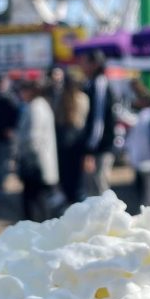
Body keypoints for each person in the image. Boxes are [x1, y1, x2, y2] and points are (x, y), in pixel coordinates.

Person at [16, 79, 60, 221]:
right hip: (38, 160)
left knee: (35, 201)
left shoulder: (36, 107)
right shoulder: (39, 105)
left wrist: (24, 153)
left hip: (36, 161)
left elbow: (33, 137)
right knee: (37, 199)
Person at [79, 51, 116, 195]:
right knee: (93, 187)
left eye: (85, 62)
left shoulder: (99, 84)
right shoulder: (91, 83)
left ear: (94, 64)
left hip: (101, 146)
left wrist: (90, 148)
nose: (82, 66)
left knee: (100, 187)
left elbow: (98, 119)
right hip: (96, 145)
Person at [56, 71, 90, 203]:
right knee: (77, 176)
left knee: (65, 174)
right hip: (78, 140)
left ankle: (67, 199)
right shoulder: (84, 98)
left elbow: (57, 119)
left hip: (63, 140)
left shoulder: (60, 98)